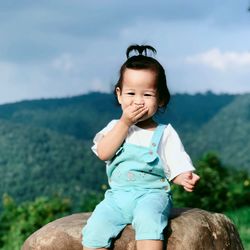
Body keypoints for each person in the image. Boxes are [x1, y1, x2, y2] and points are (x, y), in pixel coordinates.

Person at [82, 44, 200, 250]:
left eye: (147, 95)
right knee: (94, 229)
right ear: (119, 95)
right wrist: (125, 123)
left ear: (161, 98)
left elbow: (176, 163)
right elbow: (103, 152)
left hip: (152, 196)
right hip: (117, 198)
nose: (138, 101)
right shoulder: (115, 127)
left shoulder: (165, 133)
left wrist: (184, 177)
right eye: (131, 93)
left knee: (149, 221)